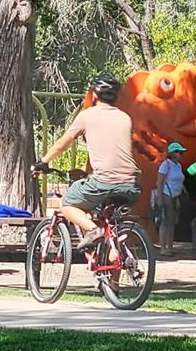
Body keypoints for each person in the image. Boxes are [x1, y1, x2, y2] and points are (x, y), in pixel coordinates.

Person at [34, 75, 140, 245]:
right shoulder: (125, 118)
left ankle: (92, 230)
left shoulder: (87, 116)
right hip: (132, 185)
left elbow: (62, 144)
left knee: (67, 203)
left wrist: (43, 162)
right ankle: (114, 256)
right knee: (110, 228)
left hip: (104, 181)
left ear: (94, 95)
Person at [153, 141, 187, 258]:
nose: (180, 154)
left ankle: (170, 247)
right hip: (166, 194)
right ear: (172, 153)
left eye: (181, 152)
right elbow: (160, 182)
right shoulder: (165, 165)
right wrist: (160, 198)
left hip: (175, 195)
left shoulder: (178, 165)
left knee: (172, 222)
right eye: (178, 152)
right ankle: (163, 248)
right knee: (165, 221)